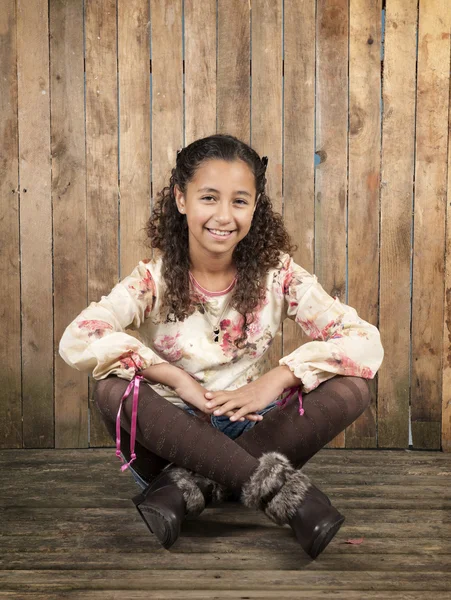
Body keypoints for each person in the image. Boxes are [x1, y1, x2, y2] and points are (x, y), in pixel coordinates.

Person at [59, 133, 384, 559]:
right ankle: (288, 497)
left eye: (240, 201)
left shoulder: (278, 274)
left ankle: (184, 491)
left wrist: (276, 379)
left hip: (258, 432)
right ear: (181, 198)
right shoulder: (151, 280)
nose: (224, 216)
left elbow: (363, 340)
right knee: (110, 389)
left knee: (353, 387)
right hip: (172, 441)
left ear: (255, 206)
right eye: (209, 197)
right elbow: (80, 335)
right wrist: (173, 376)